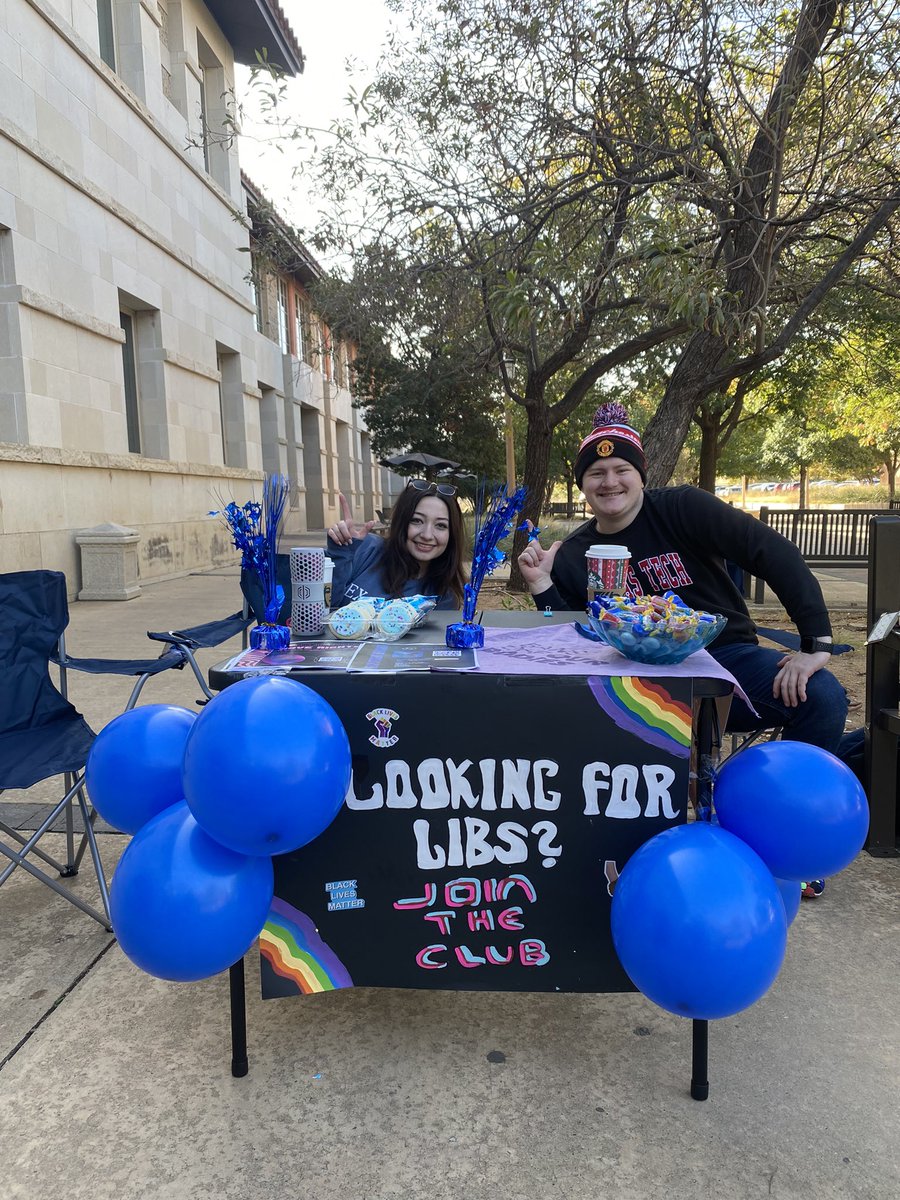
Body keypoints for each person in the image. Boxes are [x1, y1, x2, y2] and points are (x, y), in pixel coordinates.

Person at [518, 403, 853, 858]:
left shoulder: (682, 509)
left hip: (722, 664)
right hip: (629, 685)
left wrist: (816, 642)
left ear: (641, 474)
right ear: (582, 484)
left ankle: (787, 835)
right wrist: (542, 585)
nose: (609, 482)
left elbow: (768, 550)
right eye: (596, 472)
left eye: (621, 469)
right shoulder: (576, 552)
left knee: (824, 696)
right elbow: (573, 636)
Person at [327, 481, 466, 610]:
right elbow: (317, 612)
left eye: (441, 525)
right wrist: (340, 556)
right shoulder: (365, 548)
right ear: (401, 522)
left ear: (451, 534)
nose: (427, 535)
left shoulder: (444, 598)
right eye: (416, 520)